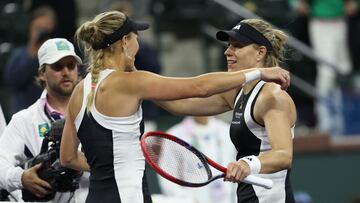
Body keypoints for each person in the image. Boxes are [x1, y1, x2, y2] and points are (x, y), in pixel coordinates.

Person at [59, 11, 290, 203]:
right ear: (125, 42)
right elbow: (200, 87)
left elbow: (68, 157)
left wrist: (111, 165)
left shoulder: (79, 90)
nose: (140, 42)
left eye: (237, 46)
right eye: (136, 35)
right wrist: (259, 72)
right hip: (129, 197)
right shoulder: (132, 83)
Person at [157, 19, 297, 202]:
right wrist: (139, 86)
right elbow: (179, 105)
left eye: (237, 46)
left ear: (260, 52)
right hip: (247, 196)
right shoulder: (237, 92)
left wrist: (247, 164)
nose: (227, 52)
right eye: (228, 46)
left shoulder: (272, 96)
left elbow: (284, 155)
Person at [0, 38, 88, 202]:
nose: (66, 72)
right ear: (42, 73)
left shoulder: (98, 112)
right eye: (57, 67)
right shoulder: (24, 120)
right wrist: (21, 178)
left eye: (71, 65)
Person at [289, 0, 358, 135]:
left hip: (343, 22)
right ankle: (325, 121)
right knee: (326, 73)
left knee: (344, 71)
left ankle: (344, 120)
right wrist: (297, 4)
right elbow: (296, 4)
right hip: (320, 22)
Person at [158, 116, 237, 203]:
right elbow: (167, 179)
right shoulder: (174, 135)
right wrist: (187, 200)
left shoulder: (227, 131)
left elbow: (236, 170)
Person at [3, 6, 56, 115]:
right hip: (23, 115)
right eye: (37, 28)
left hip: (51, 115)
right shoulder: (19, 54)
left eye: (45, 29)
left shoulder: (59, 57)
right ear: (29, 29)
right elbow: (12, 81)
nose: (41, 33)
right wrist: (31, 55)